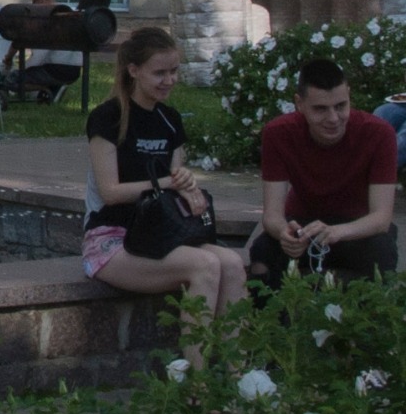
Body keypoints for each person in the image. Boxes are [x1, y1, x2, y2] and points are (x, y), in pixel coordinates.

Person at [82, 27, 246, 368]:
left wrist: (191, 191)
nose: (169, 80)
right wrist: (168, 184)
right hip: (111, 239)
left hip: (159, 233)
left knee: (230, 262)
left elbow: (177, 190)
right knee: (204, 265)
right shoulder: (108, 117)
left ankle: (237, 373)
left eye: (174, 71)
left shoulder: (170, 121)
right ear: (134, 70)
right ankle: (197, 383)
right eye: (160, 72)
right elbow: (110, 193)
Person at [250, 58, 398, 290]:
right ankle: (269, 324)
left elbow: (381, 219)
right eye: (320, 109)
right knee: (262, 253)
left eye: (341, 106)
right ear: (299, 103)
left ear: (349, 95)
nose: (333, 118)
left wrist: (336, 232)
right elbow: (272, 215)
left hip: (357, 228)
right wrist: (284, 234)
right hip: (303, 226)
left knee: (382, 250)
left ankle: (372, 323)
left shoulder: (378, 133)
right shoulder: (278, 133)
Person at [1, 0, 82, 101]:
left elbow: (38, 57)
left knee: (11, 80)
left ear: (39, 0)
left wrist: (16, 64)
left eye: (33, 2)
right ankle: (53, 88)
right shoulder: (67, 15)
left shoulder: (43, 20)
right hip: (74, 70)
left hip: (54, 69)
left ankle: (49, 88)